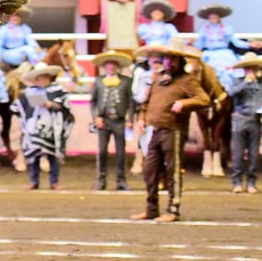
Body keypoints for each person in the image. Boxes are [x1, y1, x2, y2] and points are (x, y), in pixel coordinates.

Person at [131, 41, 210, 222]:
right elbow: (146, 103)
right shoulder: (159, 79)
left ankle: (173, 209)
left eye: (172, 58)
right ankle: (151, 208)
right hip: (156, 130)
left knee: (172, 170)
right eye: (166, 58)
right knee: (150, 170)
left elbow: (204, 99)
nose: (168, 62)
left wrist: (184, 103)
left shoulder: (187, 80)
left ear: (179, 61)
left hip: (173, 130)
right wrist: (142, 119)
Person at [11, 62, 74, 190]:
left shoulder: (58, 91)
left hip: (53, 129)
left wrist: (50, 105)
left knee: (53, 156)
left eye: (44, 77)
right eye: (39, 78)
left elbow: (65, 108)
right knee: (34, 155)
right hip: (34, 129)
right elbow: (16, 107)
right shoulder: (29, 92)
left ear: (49, 77)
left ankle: (54, 181)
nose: (41, 80)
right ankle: (34, 180)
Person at [227, 52, 262, 194]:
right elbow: (231, 93)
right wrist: (246, 82)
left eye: (253, 68)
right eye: (249, 68)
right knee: (238, 154)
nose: (251, 71)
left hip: (255, 120)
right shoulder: (238, 81)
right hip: (239, 120)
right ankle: (236, 181)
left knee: (254, 154)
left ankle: (251, 182)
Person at [90, 50, 134, 190]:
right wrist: (96, 116)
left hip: (119, 120)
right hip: (104, 120)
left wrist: (130, 118)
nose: (111, 67)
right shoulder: (99, 81)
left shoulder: (126, 81)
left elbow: (131, 102)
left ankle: (121, 180)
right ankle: (101, 180)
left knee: (120, 152)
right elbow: (93, 101)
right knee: (102, 151)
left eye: (113, 64)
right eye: (108, 64)